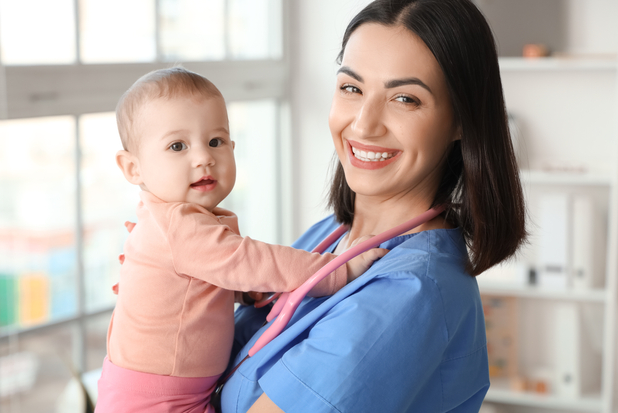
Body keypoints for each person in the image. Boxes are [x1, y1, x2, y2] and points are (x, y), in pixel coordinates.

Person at [218, 0, 527, 412]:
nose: (364, 124)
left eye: (405, 99)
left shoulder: (412, 295)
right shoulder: (332, 236)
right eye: (352, 88)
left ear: (460, 121)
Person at [95, 67, 387, 413]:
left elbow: (191, 286)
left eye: (216, 141)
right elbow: (250, 260)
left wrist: (244, 292)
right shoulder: (176, 225)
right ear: (133, 169)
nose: (203, 157)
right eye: (177, 146)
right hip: (157, 401)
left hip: (168, 392)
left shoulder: (173, 220)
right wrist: (341, 269)